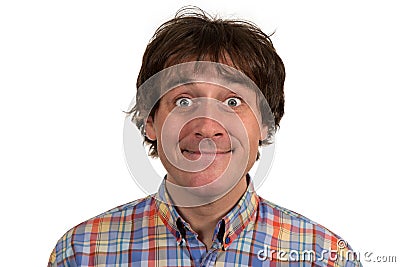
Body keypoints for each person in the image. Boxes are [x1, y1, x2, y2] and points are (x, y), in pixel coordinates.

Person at [48, 7, 361, 267]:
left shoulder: (326, 257)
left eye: (233, 102)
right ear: (151, 121)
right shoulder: (82, 253)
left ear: (265, 124)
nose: (208, 126)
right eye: (184, 101)